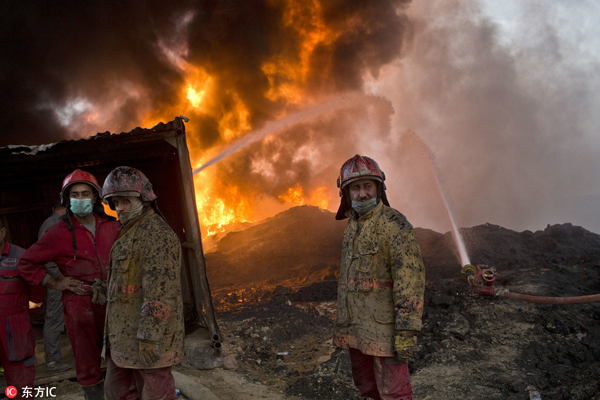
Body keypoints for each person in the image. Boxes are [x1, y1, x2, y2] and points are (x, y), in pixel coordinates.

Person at [18, 169, 120, 400]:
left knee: (122, 355)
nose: (81, 198)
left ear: (95, 198)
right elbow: (26, 263)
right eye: (75, 194)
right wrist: (55, 282)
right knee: (86, 360)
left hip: (115, 301)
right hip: (79, 304)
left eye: (86, 193)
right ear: (67, 199)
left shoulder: (113, 225)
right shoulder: (57, 233)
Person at [333, 155, 426, 400]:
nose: (362, 194)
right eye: (355, 187)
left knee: (395, 393)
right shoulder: (351, 227)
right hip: (356, 332)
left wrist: (406, 332)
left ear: (379, 188)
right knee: (367, 390)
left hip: (386, 333)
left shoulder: (395, 226)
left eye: (368, 186)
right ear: (346, 194)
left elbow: (410, 283)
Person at [101, 166, 184, 400]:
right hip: (125, 340)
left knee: (156, 394)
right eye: (115, 202)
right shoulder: (130, 232)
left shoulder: (156, 234)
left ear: (143, 198)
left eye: (125, 200)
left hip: (147, 342)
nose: (120, 208)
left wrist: (149, 337)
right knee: (117, 392)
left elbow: (161, 293)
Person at [0, 219, 43, 400]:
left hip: (14, 328)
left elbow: (37, 294)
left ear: (2, 232)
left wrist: (24, 314)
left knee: (20, 378)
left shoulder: (21, 257)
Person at [37, 198, 72, 372]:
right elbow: (46, 258)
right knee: (54, 318)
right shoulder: (51, 225)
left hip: (65, 280)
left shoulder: (62, 222)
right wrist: (59, 277)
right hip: (58, 281)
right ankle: (52, 360)